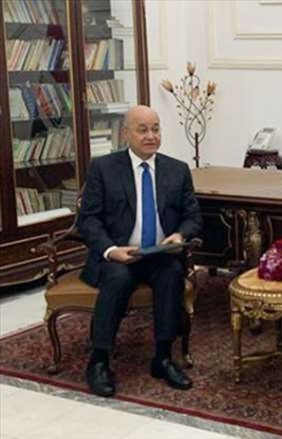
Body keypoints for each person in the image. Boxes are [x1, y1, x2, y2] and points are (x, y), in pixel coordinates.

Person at [78, 105, 202, 397]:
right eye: (142, 129)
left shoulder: (177, 169)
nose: (151, 136)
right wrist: (110, 250)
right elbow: (89, 220)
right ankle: (98, 360)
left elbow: (193, 216)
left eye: (156, 128)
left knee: (171, 275)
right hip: (119, 255)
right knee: (118, 278)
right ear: (126, 134)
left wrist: (179, 235)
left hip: (159, 254)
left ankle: (162, 357)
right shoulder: (104, 168)